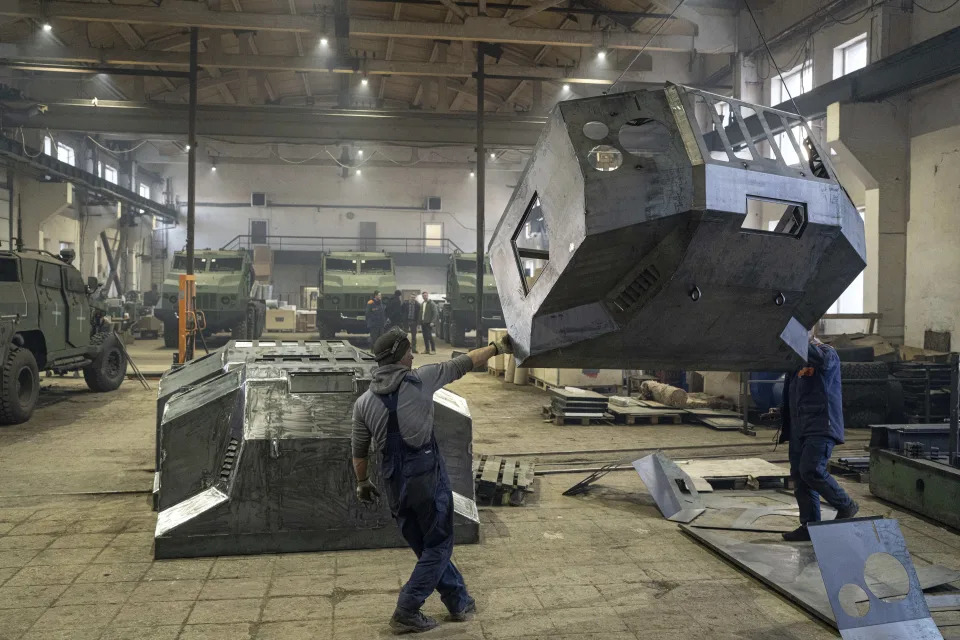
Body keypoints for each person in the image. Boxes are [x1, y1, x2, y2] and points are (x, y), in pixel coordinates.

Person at [352, 327, 514, 632]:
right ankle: (407, 609)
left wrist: (362, 483)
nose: (413, 354)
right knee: (438, 544)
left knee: (426, 546)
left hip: (393, 483)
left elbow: (358, 452)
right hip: (425, 476)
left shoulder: (363, 403)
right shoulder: (422, 380)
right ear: (400, 357)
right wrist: (497, 347)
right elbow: (463, 363)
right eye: (409, 350)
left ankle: (457, 599)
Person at [779, 333, 860, 542]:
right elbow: (792, 395)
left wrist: (790, 333)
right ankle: (809, 526)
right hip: (800, 429)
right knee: (799, 475)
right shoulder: (796, 365)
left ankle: (846, 504)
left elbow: (820, 360)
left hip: (821, 425)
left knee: (812, 469)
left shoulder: (827, 354)